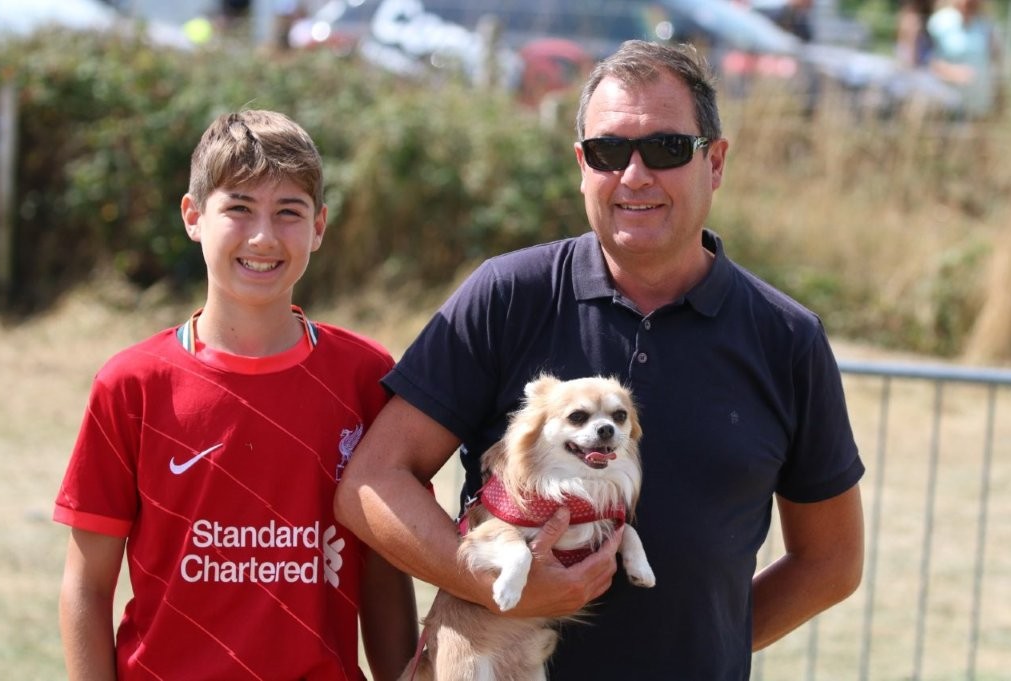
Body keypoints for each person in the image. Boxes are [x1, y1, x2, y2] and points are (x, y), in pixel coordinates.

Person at [334, 40, 865, 679]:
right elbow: (372, 485)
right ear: (582, 164)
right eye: (609, 151)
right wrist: (491, 585)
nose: (634, 175)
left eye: (667, 148)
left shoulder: (788, 338)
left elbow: (831, 562)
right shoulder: (507, 296)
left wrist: (715, 645)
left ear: (716, 162)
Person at [54, 109, 417, 680]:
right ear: (193, 216)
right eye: (239, 208)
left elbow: (384, 573)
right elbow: (86, 585)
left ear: (319, 227)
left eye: (289, 212)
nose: (263, 237)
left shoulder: (364, 378)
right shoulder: (132, 384)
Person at [927, 0, 1003, 117]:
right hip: (945, 104)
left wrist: (998, 92)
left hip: (979, 105)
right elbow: (926, 61)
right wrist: (953, 73)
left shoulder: (986, 25)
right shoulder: (938, 23)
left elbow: (996, 61)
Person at [896, 0, 936, 68]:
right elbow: (911, 46)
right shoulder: (912, 19)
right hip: (914, 64)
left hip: (909, 60)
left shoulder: (906, 17)